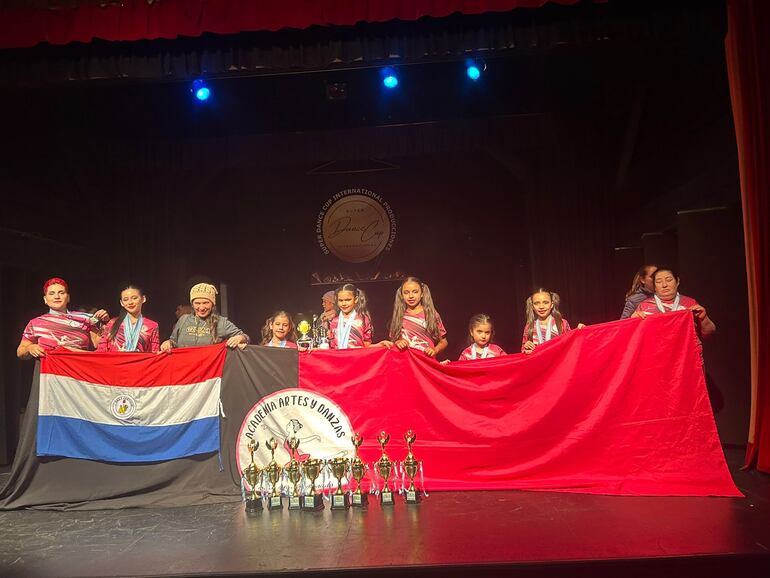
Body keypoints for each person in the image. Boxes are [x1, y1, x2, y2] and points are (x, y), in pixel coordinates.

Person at [16, 277, 110, 359]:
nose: (57, 297)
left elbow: (98, 344)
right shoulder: (36, 323)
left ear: (68, 297)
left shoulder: (84, 318)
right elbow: (20, 352)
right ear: (45, 299)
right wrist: (30, 348)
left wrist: (106, 324)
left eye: (61, 292)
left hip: (79, 372)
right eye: (52, 293)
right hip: (49, 374)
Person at [160, 283, 248, 351]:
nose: (201, 308)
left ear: (213, 304)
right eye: (197, 303)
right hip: (184, 370)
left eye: (206, 303)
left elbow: (245, 337)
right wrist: (168, 343)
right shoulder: (183, 319)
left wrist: (239, 338)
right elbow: (173, 341)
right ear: (192, 304)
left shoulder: (221, 322)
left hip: (209, 372)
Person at [632, 267, 716, 336]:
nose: (664, 285)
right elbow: (634, 338)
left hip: (686, 353)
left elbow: (709, 333)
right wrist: (633, 322)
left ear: (677, 281)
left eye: (669, 280)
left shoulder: (690, 303)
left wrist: (704, 318)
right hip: (658, 353)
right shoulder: (644, 306)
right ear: (654, 286)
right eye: (658, 282)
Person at [380, 277, 448, 358]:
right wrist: (398, 342)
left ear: (422, 293)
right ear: (402, 295)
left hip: (425, 361)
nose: (411, 296)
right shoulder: (399, 316)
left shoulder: (431, 314)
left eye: (415, 292)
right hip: (406, 362)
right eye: (406, 292)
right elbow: (393, 341)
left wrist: (435, 350)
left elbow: (444, 342)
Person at [97, 285, 160, 353]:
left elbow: (154, 353)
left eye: (134, 298)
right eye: (126, 299)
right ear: (122, 303)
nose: (130, 303)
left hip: (139, 363)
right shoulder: (112, 323)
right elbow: (101, 350)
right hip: (114, 363)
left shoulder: (152, 326)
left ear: (143, 299)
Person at [521, 289, 583, 355]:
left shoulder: (562, 323)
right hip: (538, 363)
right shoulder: (529, 326)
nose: (541, 307)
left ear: (552, 304)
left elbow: (571, 344)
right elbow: (523, 351)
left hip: (558, 363)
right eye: (536, 303)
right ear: (532, 306)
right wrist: (526, 348)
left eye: (546, 302)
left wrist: (581, 333)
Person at [328, 283, 373, 349]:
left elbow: (367, 345)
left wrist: (380, 345)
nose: (344, 304)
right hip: (338, 357)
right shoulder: (334, 321)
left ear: (356, 299)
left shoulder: (363, 319)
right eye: (340, 300)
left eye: (348, 300)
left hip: (357, 357)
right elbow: (332, 346)